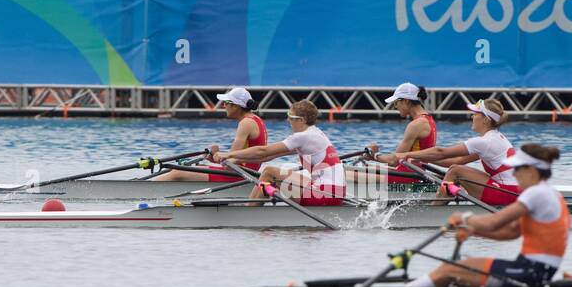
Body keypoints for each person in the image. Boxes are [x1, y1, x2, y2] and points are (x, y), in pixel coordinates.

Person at [406, 144, 568, 287]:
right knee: (459, 270)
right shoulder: (550, 193)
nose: (514, 174)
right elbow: (510, 232)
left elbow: (494, 222)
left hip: (531, 270)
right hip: (537, 269)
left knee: (451, 268)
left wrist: (465, 218)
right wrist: (472, 231)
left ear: (531, 171)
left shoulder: (536, 193)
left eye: (517, 169)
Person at [382, 99, 520, 206]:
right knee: (457, 170)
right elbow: (458, 160)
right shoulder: (494, 138)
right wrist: (423, 160)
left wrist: (407, 154)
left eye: (475, 114)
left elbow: (441, 152)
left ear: (486, 119)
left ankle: (435, 210)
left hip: (507, 194)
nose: (472, 116)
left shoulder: (483, 142)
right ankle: (446, 197)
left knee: (455, 171)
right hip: (512, 192)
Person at [210, 100, 345, 205]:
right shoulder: (314, 133)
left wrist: (228, 154)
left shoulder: (302, 137)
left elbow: (263, 150)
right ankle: (263, 196)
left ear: (302, 120)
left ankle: (249, 211)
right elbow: (267, 156)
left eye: (290, 116)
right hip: (335, 192)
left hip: (325, 195)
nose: (288, 120)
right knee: (270, 175)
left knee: (269, 173)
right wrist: (233, 161)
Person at [153, 87, 266, 182]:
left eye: (226, 103)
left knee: (177, 172)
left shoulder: (245, 123)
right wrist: (215, 159)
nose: (223, 106)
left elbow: (230, 161)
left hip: (239, 176)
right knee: (192, 168)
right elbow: (235, 159)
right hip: (244, 172)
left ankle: (141, 189)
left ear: (235, 106)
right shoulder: (256, 120)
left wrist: (217, 154)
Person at [361, 82, 437, 185]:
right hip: (415, 175)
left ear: (406, 101)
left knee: (347, 173)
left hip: (406, 178)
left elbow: (394, 161)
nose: (395, 107)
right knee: (363, 168)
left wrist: (374, 156)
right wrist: (374, 158)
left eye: (396, 103)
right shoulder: (429, 120)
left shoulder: (416, 124)